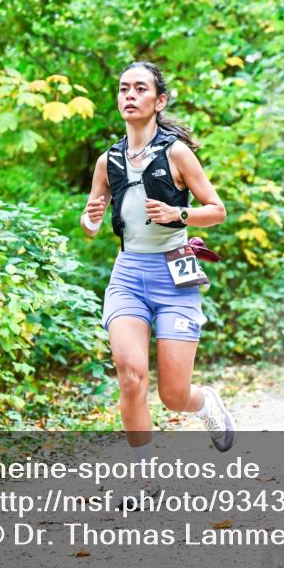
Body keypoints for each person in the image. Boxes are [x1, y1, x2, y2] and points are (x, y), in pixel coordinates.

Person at [80, 61, 234, 508]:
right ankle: (143, 479)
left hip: (174, 274)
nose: (129, 95)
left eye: (140, 88)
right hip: (128, 274)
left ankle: (206, 405)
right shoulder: (106, 160)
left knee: (172, 394)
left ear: (158, 101)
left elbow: (217, 210)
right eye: (123, 88)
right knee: (131, 376)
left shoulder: (177, 154)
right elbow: (92, 221)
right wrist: (89, 221)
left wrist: (179, 215)